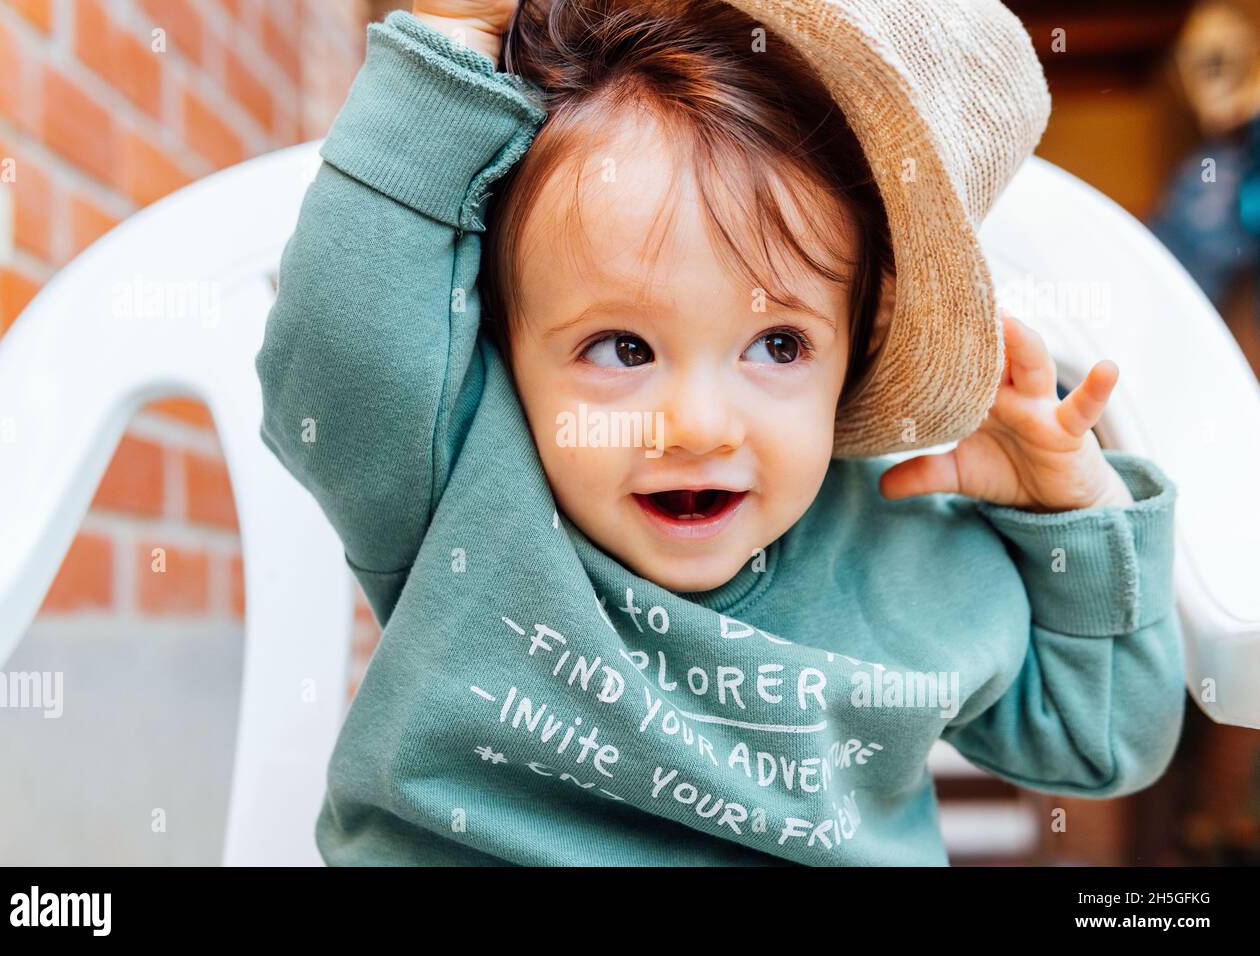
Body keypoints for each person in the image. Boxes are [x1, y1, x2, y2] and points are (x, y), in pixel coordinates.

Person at [254, 0, 1185, 865]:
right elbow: (340, 344)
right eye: (622, 348)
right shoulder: (462, 476)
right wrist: (451, 41)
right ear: (505, 347)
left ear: (855, 354)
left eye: (778, 345)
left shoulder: (909, 554)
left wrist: (1073, 517)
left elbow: (1103, 740)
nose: (697, 427)